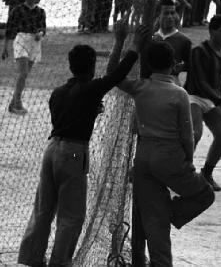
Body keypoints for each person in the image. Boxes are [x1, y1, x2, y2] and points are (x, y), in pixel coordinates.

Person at [16, 23, 147, 267]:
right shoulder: (91, 88)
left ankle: (31, 257)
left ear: (70, 66)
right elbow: (117, 75)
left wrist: (89, 112)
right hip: (73, 153)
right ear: (91, 67)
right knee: (71, 215)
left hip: (51, 150)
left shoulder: (57, 92)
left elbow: (68, 117)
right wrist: (131, 44)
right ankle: (60, 261)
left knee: (43, 209)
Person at [112, 37, 215, 266]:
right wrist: (187, 160)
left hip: (143, 154)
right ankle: (172, 212)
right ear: (174, 65)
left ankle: (160, 243)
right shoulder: (178, 93)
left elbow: (114, 75)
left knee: (155, 225)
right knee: (205, 194)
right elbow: (187, 134)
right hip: (168, 155)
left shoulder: (140, 87)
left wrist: (123, 44)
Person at [184, 15, 221, 191]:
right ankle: (184, 173)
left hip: (213, 99)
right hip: (194, 97)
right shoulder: (198, 51)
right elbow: (201, 83)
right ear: (211, 31)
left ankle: (207, 172)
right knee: (194, 133)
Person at [2, 0, 46, 115]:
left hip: (35, 42)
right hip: (21, 39)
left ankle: (13, 102)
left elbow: (43, 28)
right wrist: (5, 47)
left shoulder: (40, 12)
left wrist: (40, 34)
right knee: (23, 73)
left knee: (25, 74)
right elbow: (9, 29)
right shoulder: (17, 10)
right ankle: (17, 103)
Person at [143, 0, 192, 84]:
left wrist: (183, 67)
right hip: (151, 86)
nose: (170, 16)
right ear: (158, 14)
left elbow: (192, 65)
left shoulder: (184, 41)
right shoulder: (151, 39)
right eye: (166, 13)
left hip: (172, 86)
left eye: (172, 13)